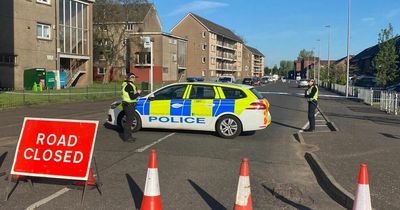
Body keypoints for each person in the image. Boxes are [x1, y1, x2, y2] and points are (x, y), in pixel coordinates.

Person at [121, 73, 142, 142]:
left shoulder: (128, 85)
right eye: (133, 78)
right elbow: (132, 97)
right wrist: (138, 93)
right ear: (131, 78)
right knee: (129, 122)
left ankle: (129, 136)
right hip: (129, 105)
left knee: (130, 121)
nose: (135, 79)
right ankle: (127, 138)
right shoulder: (129, 86)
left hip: (129, 104)